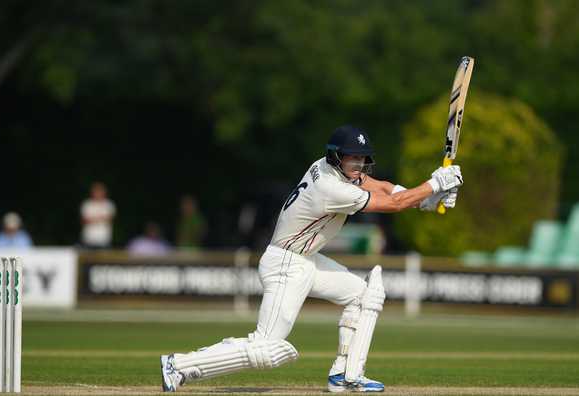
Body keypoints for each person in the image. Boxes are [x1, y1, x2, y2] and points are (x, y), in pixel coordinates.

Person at [160, 125, 461, 393]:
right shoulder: (331, 188)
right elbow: (393, 204)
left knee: (364, 295)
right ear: (336, 157)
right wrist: (434, 185)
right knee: (266, 348)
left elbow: (382, 188)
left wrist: (426, 200)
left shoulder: (327, 168)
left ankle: (345, 374)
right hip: (286, 265)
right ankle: (180, 364)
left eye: (361, 159)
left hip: (306, 260)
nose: (358, 165)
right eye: (351, 158)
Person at [80, 182, 116, 249]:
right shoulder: (87, 204)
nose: (98, 193)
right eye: (96, 191)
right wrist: (101, 218)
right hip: (88, 238)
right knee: (88, 258)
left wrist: (93, 218)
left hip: (104, 238)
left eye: (100, 191)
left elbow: (110, 219)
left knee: (104, 259)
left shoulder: (109, 204)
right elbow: (84, 220)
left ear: (104, 192)